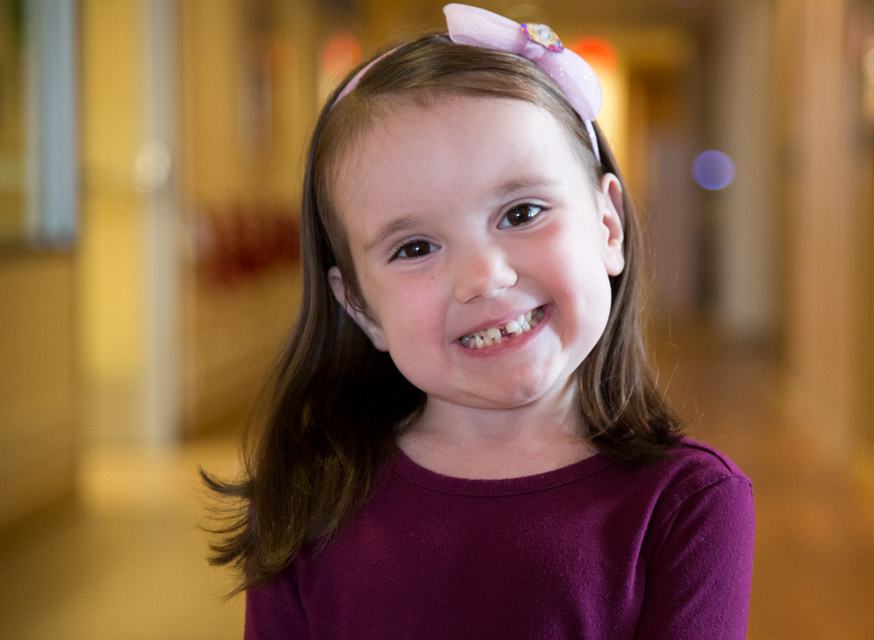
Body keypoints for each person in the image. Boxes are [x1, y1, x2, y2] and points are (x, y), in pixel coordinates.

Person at [205, 4, 754, 638]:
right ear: (359, 306)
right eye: (415, 248)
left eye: (521, 213)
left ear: (608, 227)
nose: (484, 277)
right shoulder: (306, 502)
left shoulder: (689, 506)